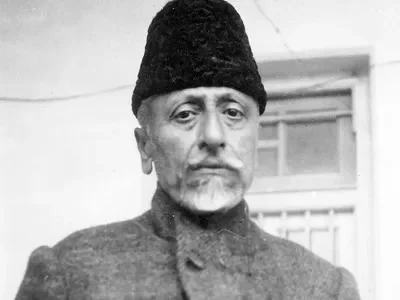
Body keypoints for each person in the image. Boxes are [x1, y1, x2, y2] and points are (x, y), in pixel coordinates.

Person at [15, 0, 361, 299]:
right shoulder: (70, 275)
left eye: (233, 113)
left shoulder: (325, 288)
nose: (213, 135)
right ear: (145, 146)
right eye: (185, 114)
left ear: (256, 137)